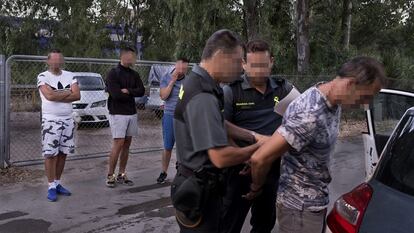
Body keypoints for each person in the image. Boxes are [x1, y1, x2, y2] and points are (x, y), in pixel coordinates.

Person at [245, 56, 387, 233]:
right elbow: (260, 158)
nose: (366, 103)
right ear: (350, 84)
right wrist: (256, 187)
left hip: (314, 203)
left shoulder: (330, 98)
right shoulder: (311, 113)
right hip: (299, 209)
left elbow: (287, 136)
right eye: (366, 96)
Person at [171, 29, 265, 233]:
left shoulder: (197, 82)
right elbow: (220, 158)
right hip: (199, 192)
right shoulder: (203, 94)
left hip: (193, 183)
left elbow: (216, 122)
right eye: (238, 61)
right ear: (221, 56)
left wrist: (249, 137)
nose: (241, 68)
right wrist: (257, 148)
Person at [221, 39, 299, 233]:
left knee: (264, 223)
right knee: (229, 224)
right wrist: (244, 156)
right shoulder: (231, 92)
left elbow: (304, 114)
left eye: (263, 65)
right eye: (253, 65)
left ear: (271, 61)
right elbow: (221, 129)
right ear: (244, 64)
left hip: (272, 170)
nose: (258, 70)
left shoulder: (283, 89)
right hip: (239, 171)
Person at [37, 49, 81, 202]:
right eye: (53, 60)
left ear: (62, 61)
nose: (56, 63)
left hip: (68, 120)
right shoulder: (43, 76)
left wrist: (57, 95)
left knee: (63, 153)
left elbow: (77, 95)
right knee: (50, 154)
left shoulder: (70, 75)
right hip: (51, 120)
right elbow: (48, 96)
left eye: (59, 60)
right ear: (48, 61)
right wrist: (67, 92)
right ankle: (50, 186)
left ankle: (57, 183)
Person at [105, 46, 145, 188]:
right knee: (118, 143)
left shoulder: (135, 74)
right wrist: (129, 94)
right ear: (122, 56)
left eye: (133, 56)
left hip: (131, 113)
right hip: (118, 113)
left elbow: (141, 91)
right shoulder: (113, 73)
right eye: (128, 56)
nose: (131, 59)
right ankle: (111, 175)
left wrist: (128, 90)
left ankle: (122, 174)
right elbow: (115, 94)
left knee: (127, 144)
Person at [156, 57, 190, 184]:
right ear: (176, 65)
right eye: (180, 67)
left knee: (182, 146)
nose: (182, 70)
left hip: (183, 116)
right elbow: (164, 96)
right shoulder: (166, 77)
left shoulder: (188, 81)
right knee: (168, 146)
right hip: (170, 115)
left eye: (185, 68)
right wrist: (172, 81)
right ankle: (163, 172)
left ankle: (181, 170)